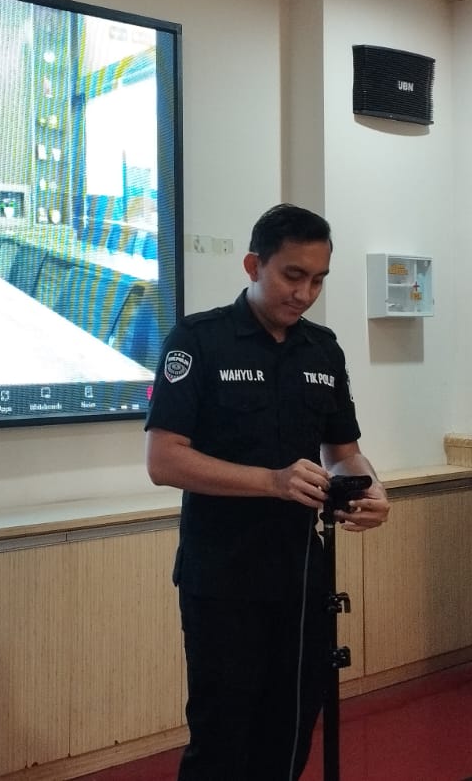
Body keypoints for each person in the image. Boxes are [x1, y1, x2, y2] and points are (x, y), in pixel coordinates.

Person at [145, 203, 390, 781]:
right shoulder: (198, 340)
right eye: (292, 275)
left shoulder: (323, 349)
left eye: (319, 280)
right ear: (254, 266)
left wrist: (372, 488)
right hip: (222, 578)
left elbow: (343, 451)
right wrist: (272, 482)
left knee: (291, 731)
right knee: (223, 738)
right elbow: (164, 460)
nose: (305, 294)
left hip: (302, 577)